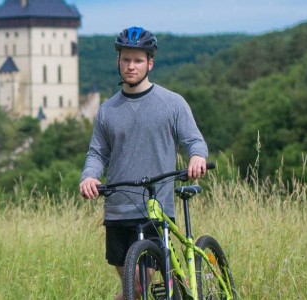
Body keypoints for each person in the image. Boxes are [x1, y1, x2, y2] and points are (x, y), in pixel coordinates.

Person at [78, 26, 209, 300]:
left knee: (138, 288)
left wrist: (197, 157)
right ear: (118, 61)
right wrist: (89, 176)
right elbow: (97, 153)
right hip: (117, 208)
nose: (131, 66)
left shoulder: (172, 103)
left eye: (138, 60)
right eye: (126, 59)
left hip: (155, 207)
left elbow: (194, 141)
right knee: (133, 292)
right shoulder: (107, 110)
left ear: (150, 63)